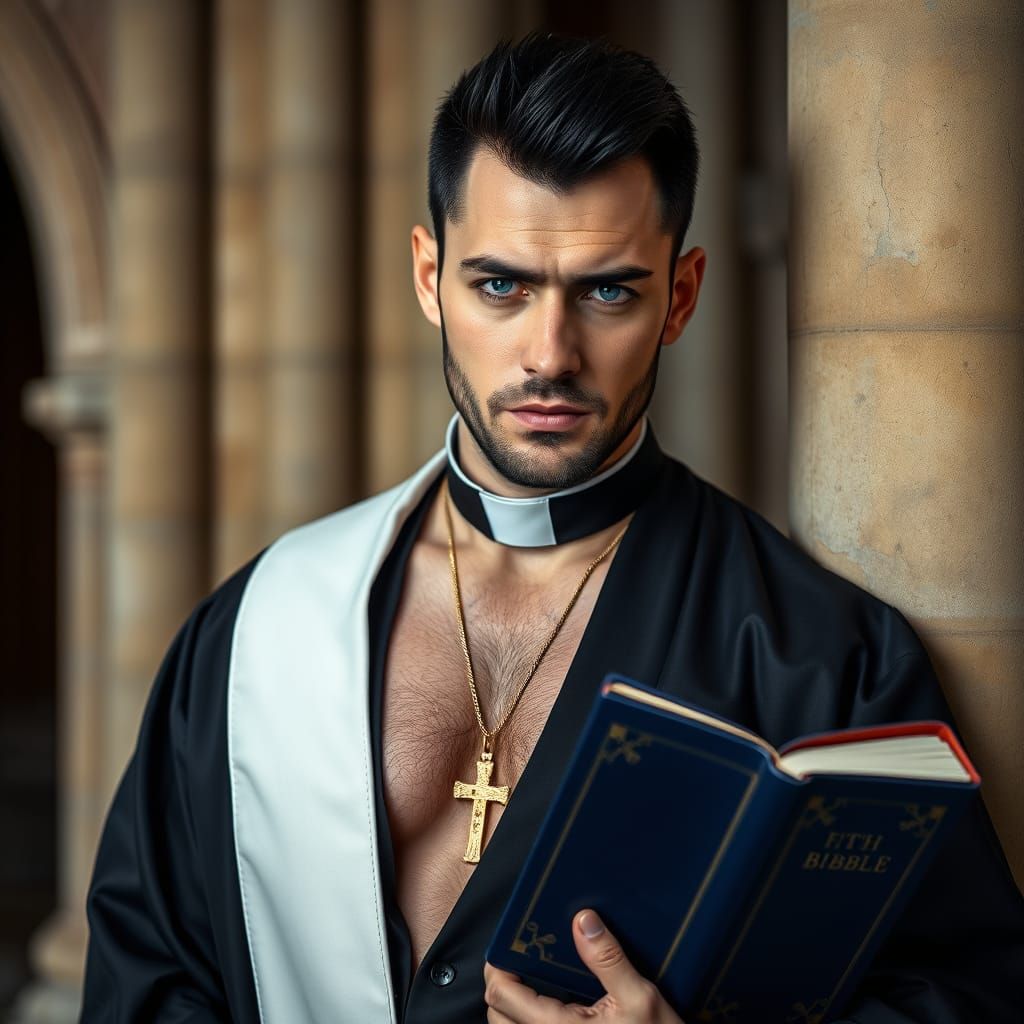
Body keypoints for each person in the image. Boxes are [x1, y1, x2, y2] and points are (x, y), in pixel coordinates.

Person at [81, 32, 1024, 1024]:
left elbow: (965, 999)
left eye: (607, 290)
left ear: (682, 295)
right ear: (426, 275)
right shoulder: (259, 627)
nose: (549, 352)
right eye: (501, 286)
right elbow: (149, 979)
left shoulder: (815, 653)